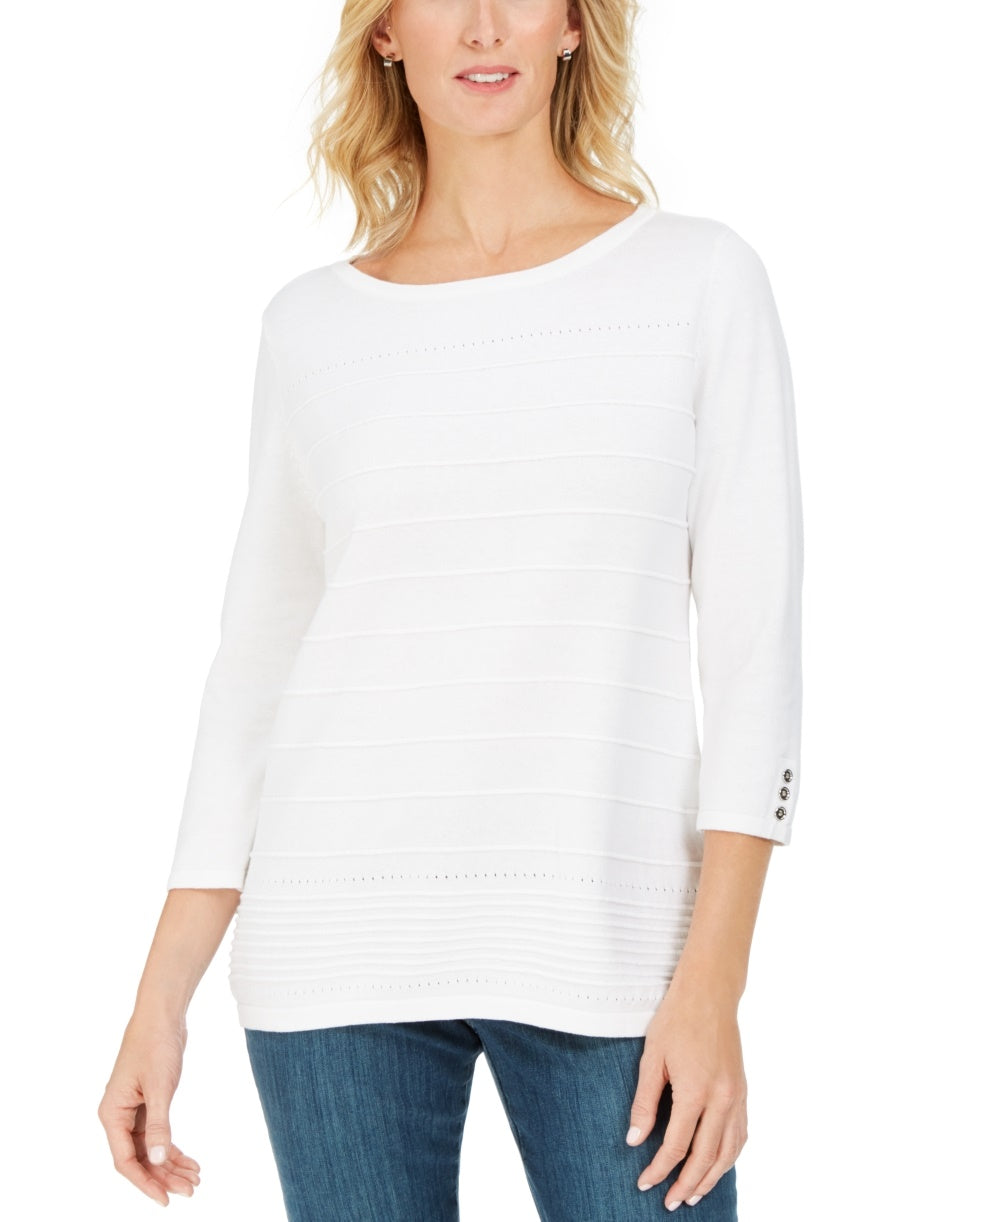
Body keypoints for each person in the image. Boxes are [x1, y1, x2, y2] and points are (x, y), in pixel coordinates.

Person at [97, 2, 804, 1218]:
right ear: (384, 32)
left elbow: (756, 653)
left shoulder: (696, 279)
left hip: (611, 945)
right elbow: (256, 671)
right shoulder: (313, 327)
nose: (483, 25)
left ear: (573, 25)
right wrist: (158, 1000)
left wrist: (714, 983)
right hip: (333, 944)